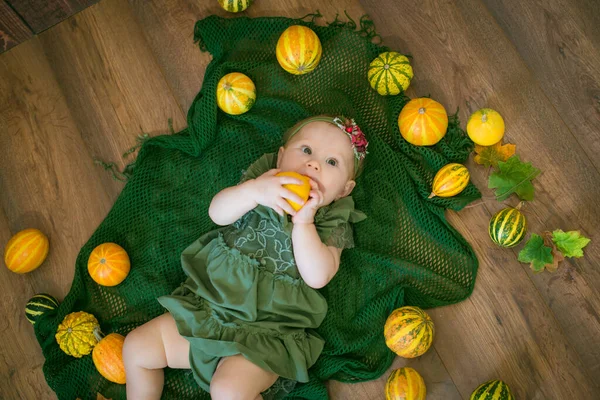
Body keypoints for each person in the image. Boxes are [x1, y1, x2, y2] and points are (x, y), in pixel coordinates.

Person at [122, 115, 368, 399]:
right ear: (280, 157)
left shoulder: (332, 220)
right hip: (206, 310)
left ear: (344, 190)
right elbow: (217, 213)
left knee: (228, 390)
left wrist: (304, 223)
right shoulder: (262, 182)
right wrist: (252, 191)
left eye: (332, 162)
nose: (313, 164)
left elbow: (317, 276)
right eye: (306, 150)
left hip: (266, 334)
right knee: (137, 347)